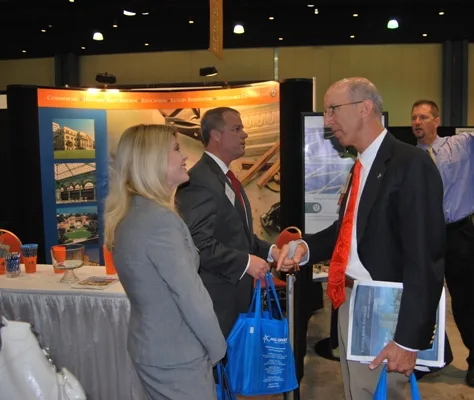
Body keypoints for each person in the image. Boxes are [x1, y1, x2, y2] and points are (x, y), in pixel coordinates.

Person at [277, 78, 445, 399]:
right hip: (350, 302)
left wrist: (407, 341)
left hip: (387, 314)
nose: (327, 121)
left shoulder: (410, 164)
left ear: (365, 108)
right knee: (357, 392)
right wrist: (304, 246)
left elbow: (425, 260)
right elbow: (347, 231)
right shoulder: (362, 165)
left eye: (333, 110)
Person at [104, 124, 226, 400]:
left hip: (152, 349)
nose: (185, 156)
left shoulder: (131, 213)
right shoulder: (160, 221)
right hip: (177, 355)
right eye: (176, 149)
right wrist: (218, 348)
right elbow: (190, 296)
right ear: (153, 160)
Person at [175, 107, 286, 338]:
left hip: (236, 295)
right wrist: (246, 262)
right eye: (236, 129)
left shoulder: (224, 177)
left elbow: (236, 234)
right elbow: (197, 243)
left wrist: (272, 251)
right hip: (218, 299)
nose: (244, 134)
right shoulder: (199, 181)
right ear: (215, 135)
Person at [411, 99, 474, 387]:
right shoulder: (410, 158)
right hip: (425, 234)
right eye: (414, 117)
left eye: (423, 117)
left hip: (459, 233)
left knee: (466, 299)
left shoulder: (462, 145)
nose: (417, 122)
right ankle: (434, 356)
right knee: (424, 297)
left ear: (436, 121)